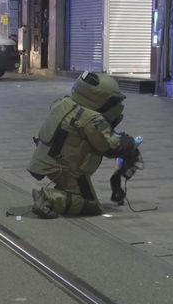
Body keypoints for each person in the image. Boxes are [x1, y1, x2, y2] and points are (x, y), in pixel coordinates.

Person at [28, 72, 140, 218]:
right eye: (113, 102)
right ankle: (48, 198)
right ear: (99, 99)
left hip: (46, 160)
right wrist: (130, 143)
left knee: (77, 190)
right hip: (64, 168)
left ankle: (64, 192)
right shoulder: (92, 119)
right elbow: (111, 147)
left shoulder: (65, 103)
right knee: (89, 204)